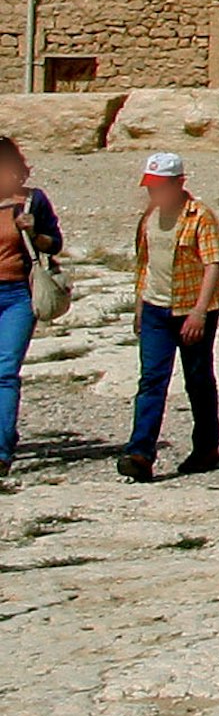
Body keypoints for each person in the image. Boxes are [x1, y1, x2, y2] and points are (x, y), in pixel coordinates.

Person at [119, 153, 219, 482]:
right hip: (155, 308)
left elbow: (213, 265)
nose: (155, 194)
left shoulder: (200, 217)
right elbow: (145, 263)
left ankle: (206, 447)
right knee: (151, 380)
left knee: (197, 380)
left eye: (161, 187)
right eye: (151, 188)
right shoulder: (149, 216)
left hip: (191, 308)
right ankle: (141, 453)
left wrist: (199, 312)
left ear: (179, 183)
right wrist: (139, 306)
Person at [0, 138, 62, 478]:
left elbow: (55, 244)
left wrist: (35, 234)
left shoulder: (32, 202)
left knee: (5, 371)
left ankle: (1, 450)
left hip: (17, 295)